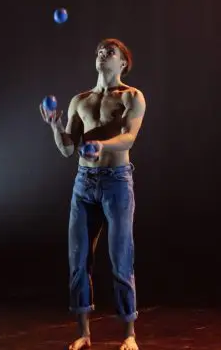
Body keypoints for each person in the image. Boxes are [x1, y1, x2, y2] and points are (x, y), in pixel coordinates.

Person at [40, 38, 147, 350]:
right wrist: (54, 126)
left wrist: (102, 145)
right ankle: (83, 333)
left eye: (110, 52)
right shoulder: (80, 101)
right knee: (78, 258)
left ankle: (129, 335)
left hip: (116, 181)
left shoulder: (132, 96)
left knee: (120, 257)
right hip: (84, 183)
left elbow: (128, 138)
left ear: (123, 63)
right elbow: (67, 149)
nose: (103, 54)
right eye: (100, 51)